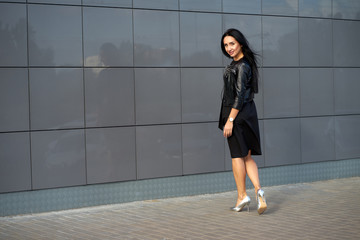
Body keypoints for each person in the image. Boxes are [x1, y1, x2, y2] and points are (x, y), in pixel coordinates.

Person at [219, 28, 267, 215]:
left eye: (232, 43)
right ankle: (259, 191)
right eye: (225, 45)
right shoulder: (245, 64)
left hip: (237, 115)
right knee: (247, 156)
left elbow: (238, 96)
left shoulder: (241, 65)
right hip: (248, 114)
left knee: (237, 156)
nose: (229, 48)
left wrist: (230, 120)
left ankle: (242, 196)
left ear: (240, 43)